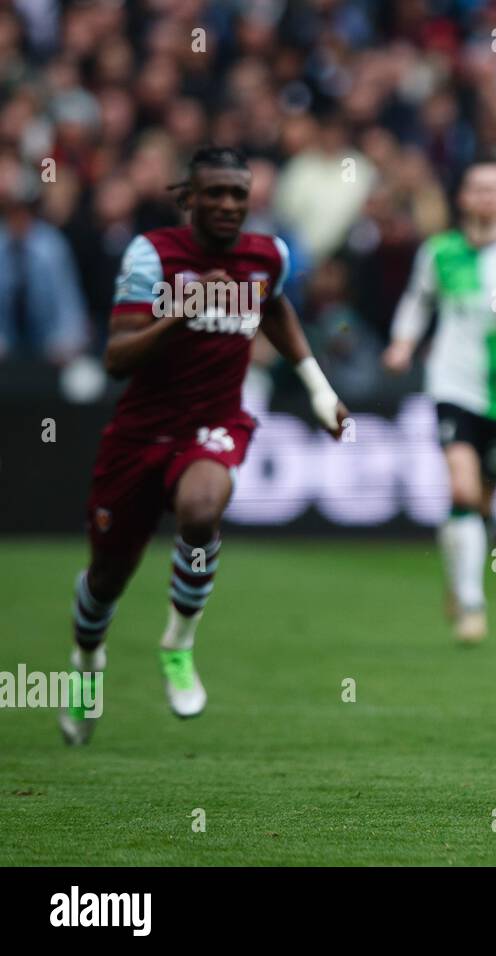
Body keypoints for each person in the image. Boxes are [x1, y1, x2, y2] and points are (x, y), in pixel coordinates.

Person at [60, 146, 349, 745]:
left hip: (215, 423)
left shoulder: (267, 255)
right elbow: (116, 358)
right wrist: (180, 313)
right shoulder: (154, 255)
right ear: (187, 198)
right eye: (213, 193)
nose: (226, 205)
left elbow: (277, 311)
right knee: (107, 578)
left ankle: (178, 644)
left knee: (200, 510)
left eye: (237, 195)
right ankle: (87, 668)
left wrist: (319, 389)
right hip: (141, 432)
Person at [383, 161, 496, 642]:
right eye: (478, 189)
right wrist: (403, 344)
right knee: (463, 490)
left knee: (485, 502)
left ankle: (460, 575)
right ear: (463, 198)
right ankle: (471, 604)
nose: (487, 197)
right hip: (452, 383)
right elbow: (418, 300)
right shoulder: (441, 251)